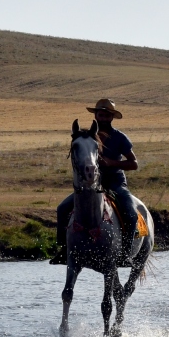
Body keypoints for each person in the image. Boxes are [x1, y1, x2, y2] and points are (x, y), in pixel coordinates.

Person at [51, 98, 139, 264]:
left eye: (107, 115)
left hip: (114, 183)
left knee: (130, 212)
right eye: (101, 114)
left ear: (112, 117)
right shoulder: (87, 138)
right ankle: (63, 250)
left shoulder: (120, 138)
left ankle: (126, 254)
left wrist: (111, 163)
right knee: (62, 208)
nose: (104, 117)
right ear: (96, 115)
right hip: (90, 185)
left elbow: (134, 164)